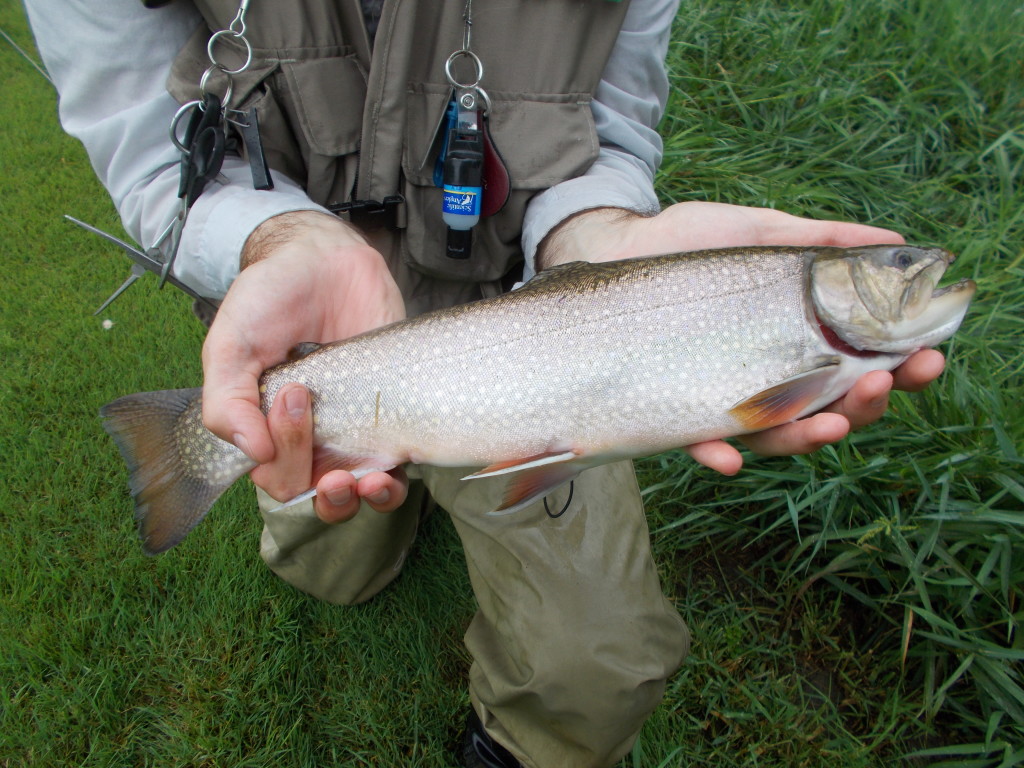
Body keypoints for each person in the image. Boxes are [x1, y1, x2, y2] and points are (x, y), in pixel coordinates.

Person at [26, 1, 945, 766]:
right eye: (901, 266)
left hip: (527, 304)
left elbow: (613, 140)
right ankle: (328, 506)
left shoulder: (808, 329)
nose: (917, 273)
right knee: (330, 557)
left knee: (606, 663)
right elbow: (151, 156)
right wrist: (273, 240)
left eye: (897, 266)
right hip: (308, 325)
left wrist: (593, 236)